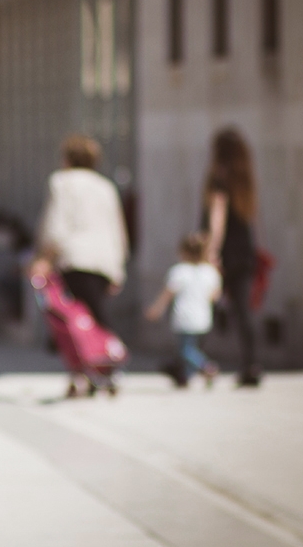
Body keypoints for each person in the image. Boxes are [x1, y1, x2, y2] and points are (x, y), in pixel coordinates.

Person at [31, 134, 129, 397]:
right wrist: (118, 268)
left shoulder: (61, 182)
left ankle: (84, 372)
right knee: (96, 316)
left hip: (73, 258)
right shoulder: (105, 186)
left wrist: (45, 257)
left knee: (72, 321)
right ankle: (103, 368)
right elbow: (116, 227)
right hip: (104, 260)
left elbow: (55, 224)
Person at [203, 127, 262, 387]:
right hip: (244, 252)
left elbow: (217, 219)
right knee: (243, 312)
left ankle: (189, 360)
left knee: (203, 307)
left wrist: (212, 253)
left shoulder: (220, 178)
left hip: (225, 253)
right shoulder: (245, 179)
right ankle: (252, 365)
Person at [145, 232, 221, 388]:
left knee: (185, 350)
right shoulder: (210, 272)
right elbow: (215, 297)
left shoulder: (179, 271)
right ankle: (185, 377)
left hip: (184, 317)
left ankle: (206, 366)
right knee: (192, 348)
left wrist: (156, 309)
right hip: (203, 317)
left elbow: (167, 294)